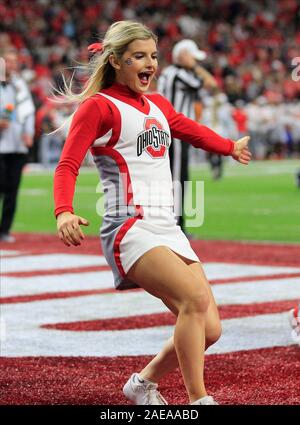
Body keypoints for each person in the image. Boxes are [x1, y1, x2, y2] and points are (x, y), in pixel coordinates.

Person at [54, 21, 251, 406]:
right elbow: (67, 166)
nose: (150, 64)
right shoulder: (99, 107)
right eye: (139, 57)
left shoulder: (157, 104)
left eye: (154, 56)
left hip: (167, 226)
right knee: (193, 300)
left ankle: (142, 383)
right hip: (130, 226)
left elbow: (190, 130)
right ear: (115, 61)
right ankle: (199, 400)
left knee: (209, 328)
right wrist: (63, 211)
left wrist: (229, 147)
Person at [157, 39, 218, 233]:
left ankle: (175, 224)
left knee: (179, 179)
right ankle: (174, 227)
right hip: (174, 132)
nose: (196, 63)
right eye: (193, 58)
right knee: (176, 180)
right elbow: (212, 84)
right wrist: (194, 66)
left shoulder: (170, 73)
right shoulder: (179, 74)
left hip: (173, 133)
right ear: (182, 55)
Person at [0, 47, 35, 242]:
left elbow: (28, 111)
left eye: (14, 61)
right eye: (8, 61)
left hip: (17, 145)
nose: (11, 65)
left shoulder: (20, 85)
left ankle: (4, 229)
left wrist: (29, 133)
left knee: (12, 189)